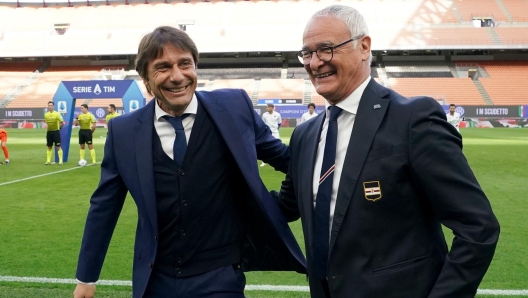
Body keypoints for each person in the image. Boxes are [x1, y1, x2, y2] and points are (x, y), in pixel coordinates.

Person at [276, 5, 499, 298]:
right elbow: (284, 207)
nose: (314, 63)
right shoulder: (305, 134)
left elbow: (477, 227)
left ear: (364, 47)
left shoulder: (412, 119)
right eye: (307, 53)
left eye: (326, 49)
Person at [73, 26, 305, 298]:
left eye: (185, 64)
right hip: (154, 279)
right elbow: (104, 205)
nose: (177, 76)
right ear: (146, 79)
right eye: (163, 67)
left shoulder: (234, 107)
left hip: (220, 275)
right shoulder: (123, 132)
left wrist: (285, 205)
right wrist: (86, 278)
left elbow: (289, 160)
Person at [44, 101, 64, 165]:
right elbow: (47, 123)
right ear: (48, 106)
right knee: (49, 146)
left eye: (51, 105)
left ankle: (60, 160)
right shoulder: (46, 114)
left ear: (53, 106)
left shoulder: (57, 114)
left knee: (58, 146)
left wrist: (58, 128)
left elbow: (62, 123)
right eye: (49, 105)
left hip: (56, 132)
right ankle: (48, 161)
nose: (50, 106)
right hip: (49, 132)